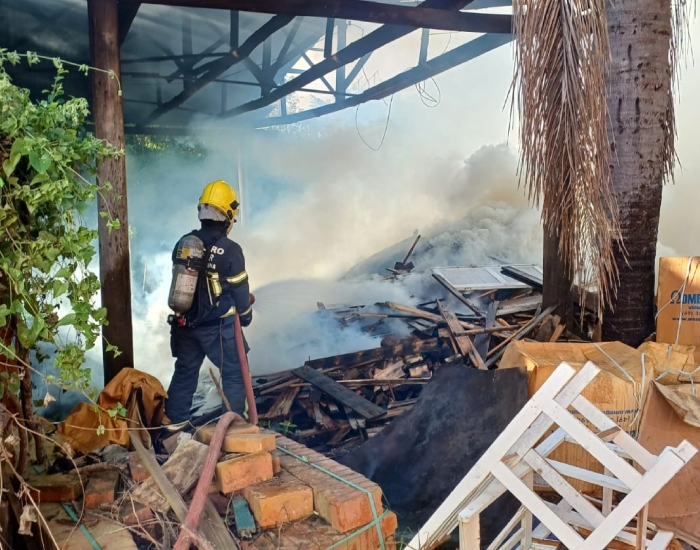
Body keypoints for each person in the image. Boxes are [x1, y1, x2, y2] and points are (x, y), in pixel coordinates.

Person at [165, 180, 253, 427]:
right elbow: (240, 291)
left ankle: (172, 428)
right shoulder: (230, 250)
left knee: (185, 373)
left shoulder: (184, 243)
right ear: (228, 215)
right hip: (218, 328)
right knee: (235, 374)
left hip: (185, 325)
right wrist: (246, 315)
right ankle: (234, 428)